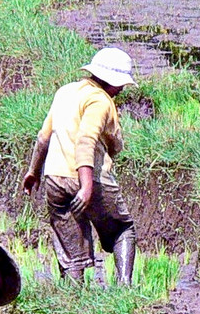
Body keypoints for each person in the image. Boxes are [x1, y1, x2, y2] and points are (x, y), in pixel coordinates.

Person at [21, 46, 137, 284]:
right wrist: (85, 186)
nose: (122, 89)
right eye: (121, 85)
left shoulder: (65, 92)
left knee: (72, 253)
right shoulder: (101, 101)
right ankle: (125, 288)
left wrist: (33, 172)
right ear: (113, 82)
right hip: (90, 178)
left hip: (55, 179)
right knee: (121, 231)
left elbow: (44, 137)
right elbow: (86, 140)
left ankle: (73, 297)